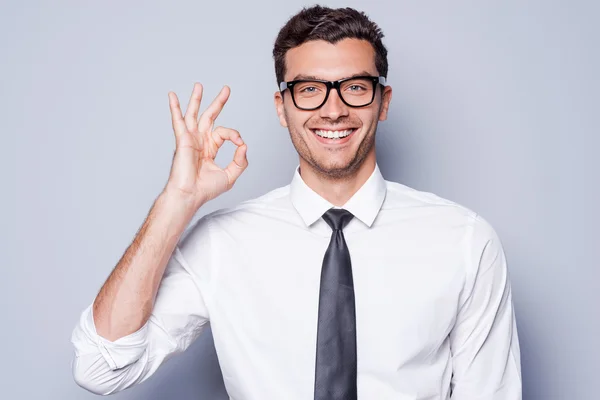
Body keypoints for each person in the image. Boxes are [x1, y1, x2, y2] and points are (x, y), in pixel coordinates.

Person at [70, 5, 522, 399]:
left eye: (356, 87)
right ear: (281, 108)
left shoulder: (464, 241)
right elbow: (100, 366)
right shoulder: (222, 244)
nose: (333, 110)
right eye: (309, 89)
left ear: (382, 101)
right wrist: (177, 201)